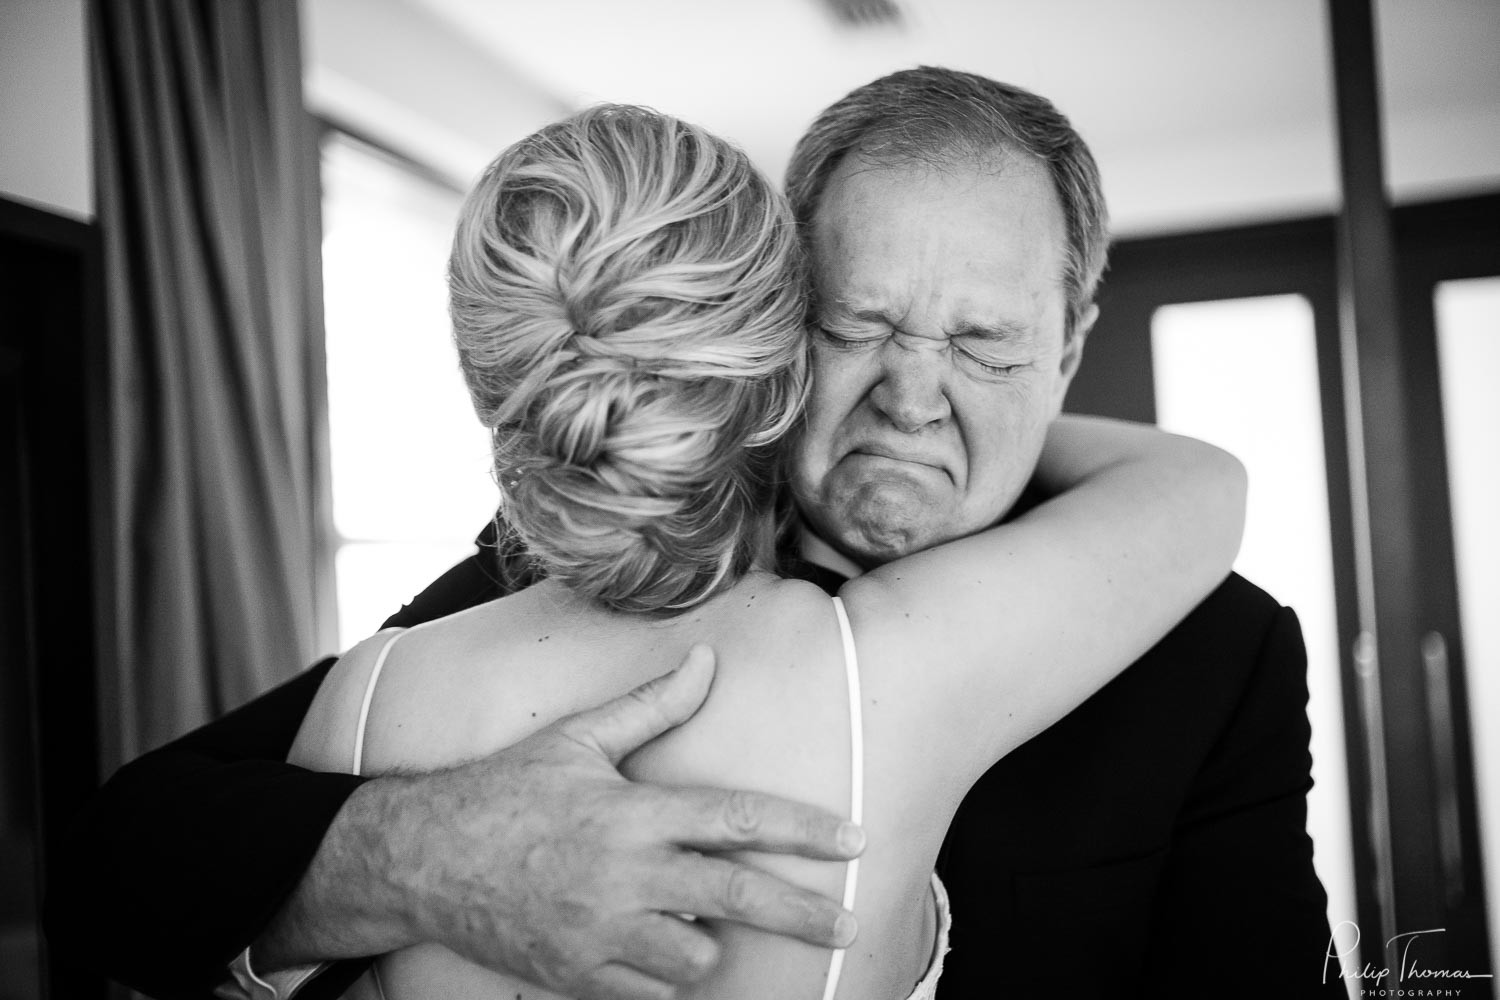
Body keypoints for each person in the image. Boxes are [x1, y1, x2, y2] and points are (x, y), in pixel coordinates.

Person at [45, 68, 1342, 999]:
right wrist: (421, 856)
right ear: (775, 331)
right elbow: (124, 860)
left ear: (1071, 349)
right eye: (859, 327)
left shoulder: (1218, 652)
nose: (910, 396)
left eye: (985, 344)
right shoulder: (550, 572)